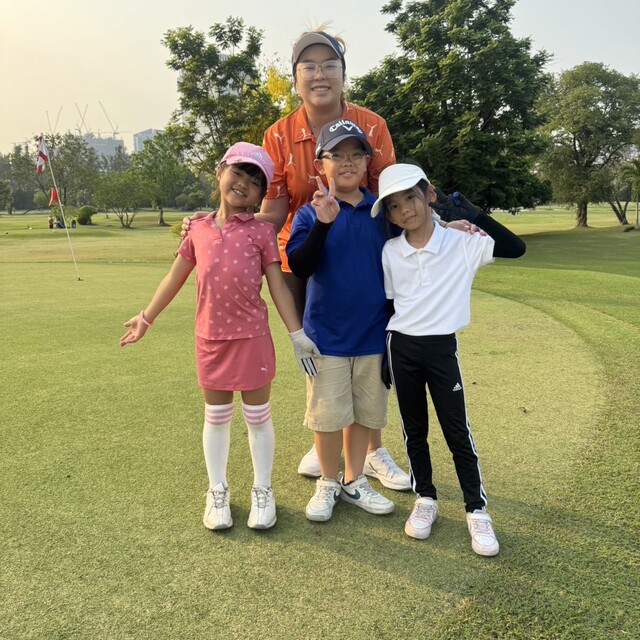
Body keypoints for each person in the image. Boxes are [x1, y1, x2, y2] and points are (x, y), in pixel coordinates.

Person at [183, 28, 411, 489]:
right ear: (296, 77)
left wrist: (437, 224)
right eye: (309, 66)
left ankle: (373, 451)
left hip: (364, 256)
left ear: (343, 74)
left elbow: (391, 195)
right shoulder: (278, 134)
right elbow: (274, 209)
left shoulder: (371, 126)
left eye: (329, 65)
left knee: (369, 350)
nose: (319, 74)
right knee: (320, 352)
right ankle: (325, 439)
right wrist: (219, 226)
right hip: (302, 258)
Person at [120, 142, 320, 532]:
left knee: (257, 417)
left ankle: (263, 489)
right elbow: (175, 277)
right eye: (238, 173)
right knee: (216, 417)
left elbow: (278, 286)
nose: (243, 184)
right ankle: (217, 490)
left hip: (252, 339)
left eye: (255, 182)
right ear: (220, 173)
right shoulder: (196, 228)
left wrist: (297, 334)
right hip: (210, 339)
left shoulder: (262, 231)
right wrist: (146, 317)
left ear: (262, 194)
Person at [371, 163, 526, 556]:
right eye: (393, 206)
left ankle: (476, 509)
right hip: (401, 347)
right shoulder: (391, 251)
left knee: (457, 430)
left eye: (410, 197)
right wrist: (386, 353)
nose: (404, 209)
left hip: (441, 348)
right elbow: (391, 305)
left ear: (429, 195)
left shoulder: (462, 242)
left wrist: (474, 215)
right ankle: (425, 497)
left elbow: (515, 248)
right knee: (414, 430)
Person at [285, 118, 401, 521]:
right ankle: (328, 482)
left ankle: (355, 481)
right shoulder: (309, 213)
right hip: (327, 337)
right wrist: (324, 222)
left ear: (368, 162)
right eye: (337, 155)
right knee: (329, 416)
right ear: (322, 164)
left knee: (364, 414)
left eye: (356, 154)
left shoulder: (383, 212)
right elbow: (300, 266)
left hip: (373, 334)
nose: (348, 162)